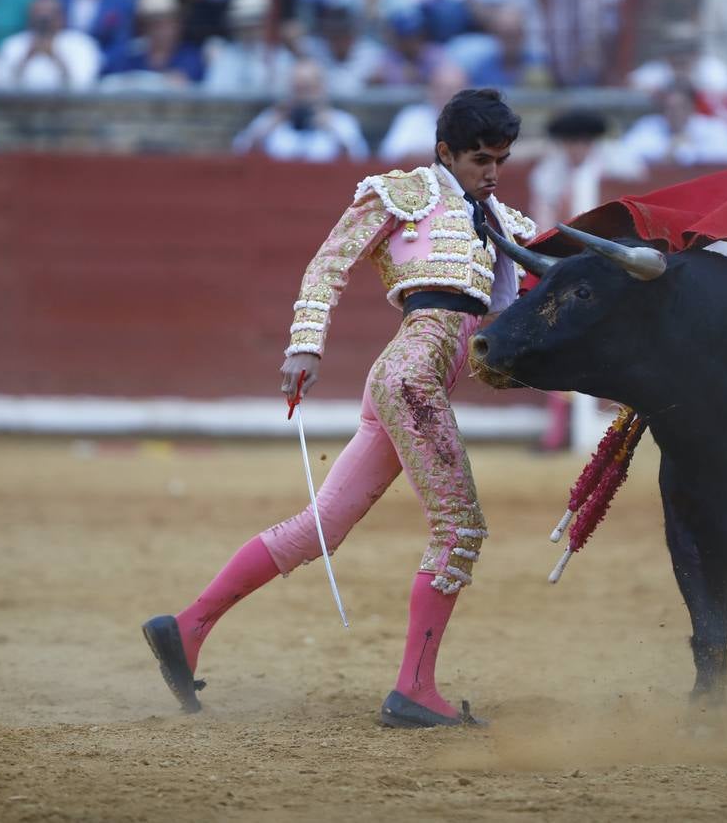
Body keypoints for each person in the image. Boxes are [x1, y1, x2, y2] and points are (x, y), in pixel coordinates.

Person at [144, 89, 536, 728]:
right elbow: (328, 266)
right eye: (480, 159)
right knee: (460, 528)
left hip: (410, 380)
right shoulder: (400, 193)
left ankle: (186, 627)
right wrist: (305, 346)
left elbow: (520, 313)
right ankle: (414, 690)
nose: (492, 171)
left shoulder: (504, 223)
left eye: (501, 159)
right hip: (411, 379)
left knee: (318, 526)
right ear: (446, 151)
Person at [232, 58, 369, 160]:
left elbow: (360, 158)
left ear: (321, 89)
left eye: (308, 89)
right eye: (297, 89)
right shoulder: (273, 118)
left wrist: (332, 128)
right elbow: (240, 151)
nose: (303, 96)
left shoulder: (341, 121)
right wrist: (270, 125)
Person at [0, 0, 102, 90]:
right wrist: (26, 57)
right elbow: (1, 85)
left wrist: (55, 57)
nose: (43, 21)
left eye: (49, 16)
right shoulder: (13, 44)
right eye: (38, 15)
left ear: (61, 17)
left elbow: (85, 84)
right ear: (30, 17)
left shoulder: (81, 44)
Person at [101, 0, 206, 86]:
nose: (161, 31)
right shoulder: (130, 55)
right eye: (154, 24)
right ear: (144, 28)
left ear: (178, 25)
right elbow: (108, 77)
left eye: (167, 23)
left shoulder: (190, 56)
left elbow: (191, 80)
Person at [621, 84, 727, 165]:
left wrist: (690, 150)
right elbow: (626, 153)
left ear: (692, 108)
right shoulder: (648, 125)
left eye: (681, 107)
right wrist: (669, 150)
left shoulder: (714, 127)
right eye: (669, 108)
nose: (675, 113)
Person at [203, 0, 294, 94]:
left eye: (255, 23)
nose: (249, 30)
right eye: (243, 24)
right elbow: (214, 92)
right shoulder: (225, 56)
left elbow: (285, 95)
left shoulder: (280, 57)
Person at [378, 62, 468, 162]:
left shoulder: (475, 121)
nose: (445, 93)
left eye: (452, 89)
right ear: (430, 90)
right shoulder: (412, 117)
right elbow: (389, 155)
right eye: (440, 88)